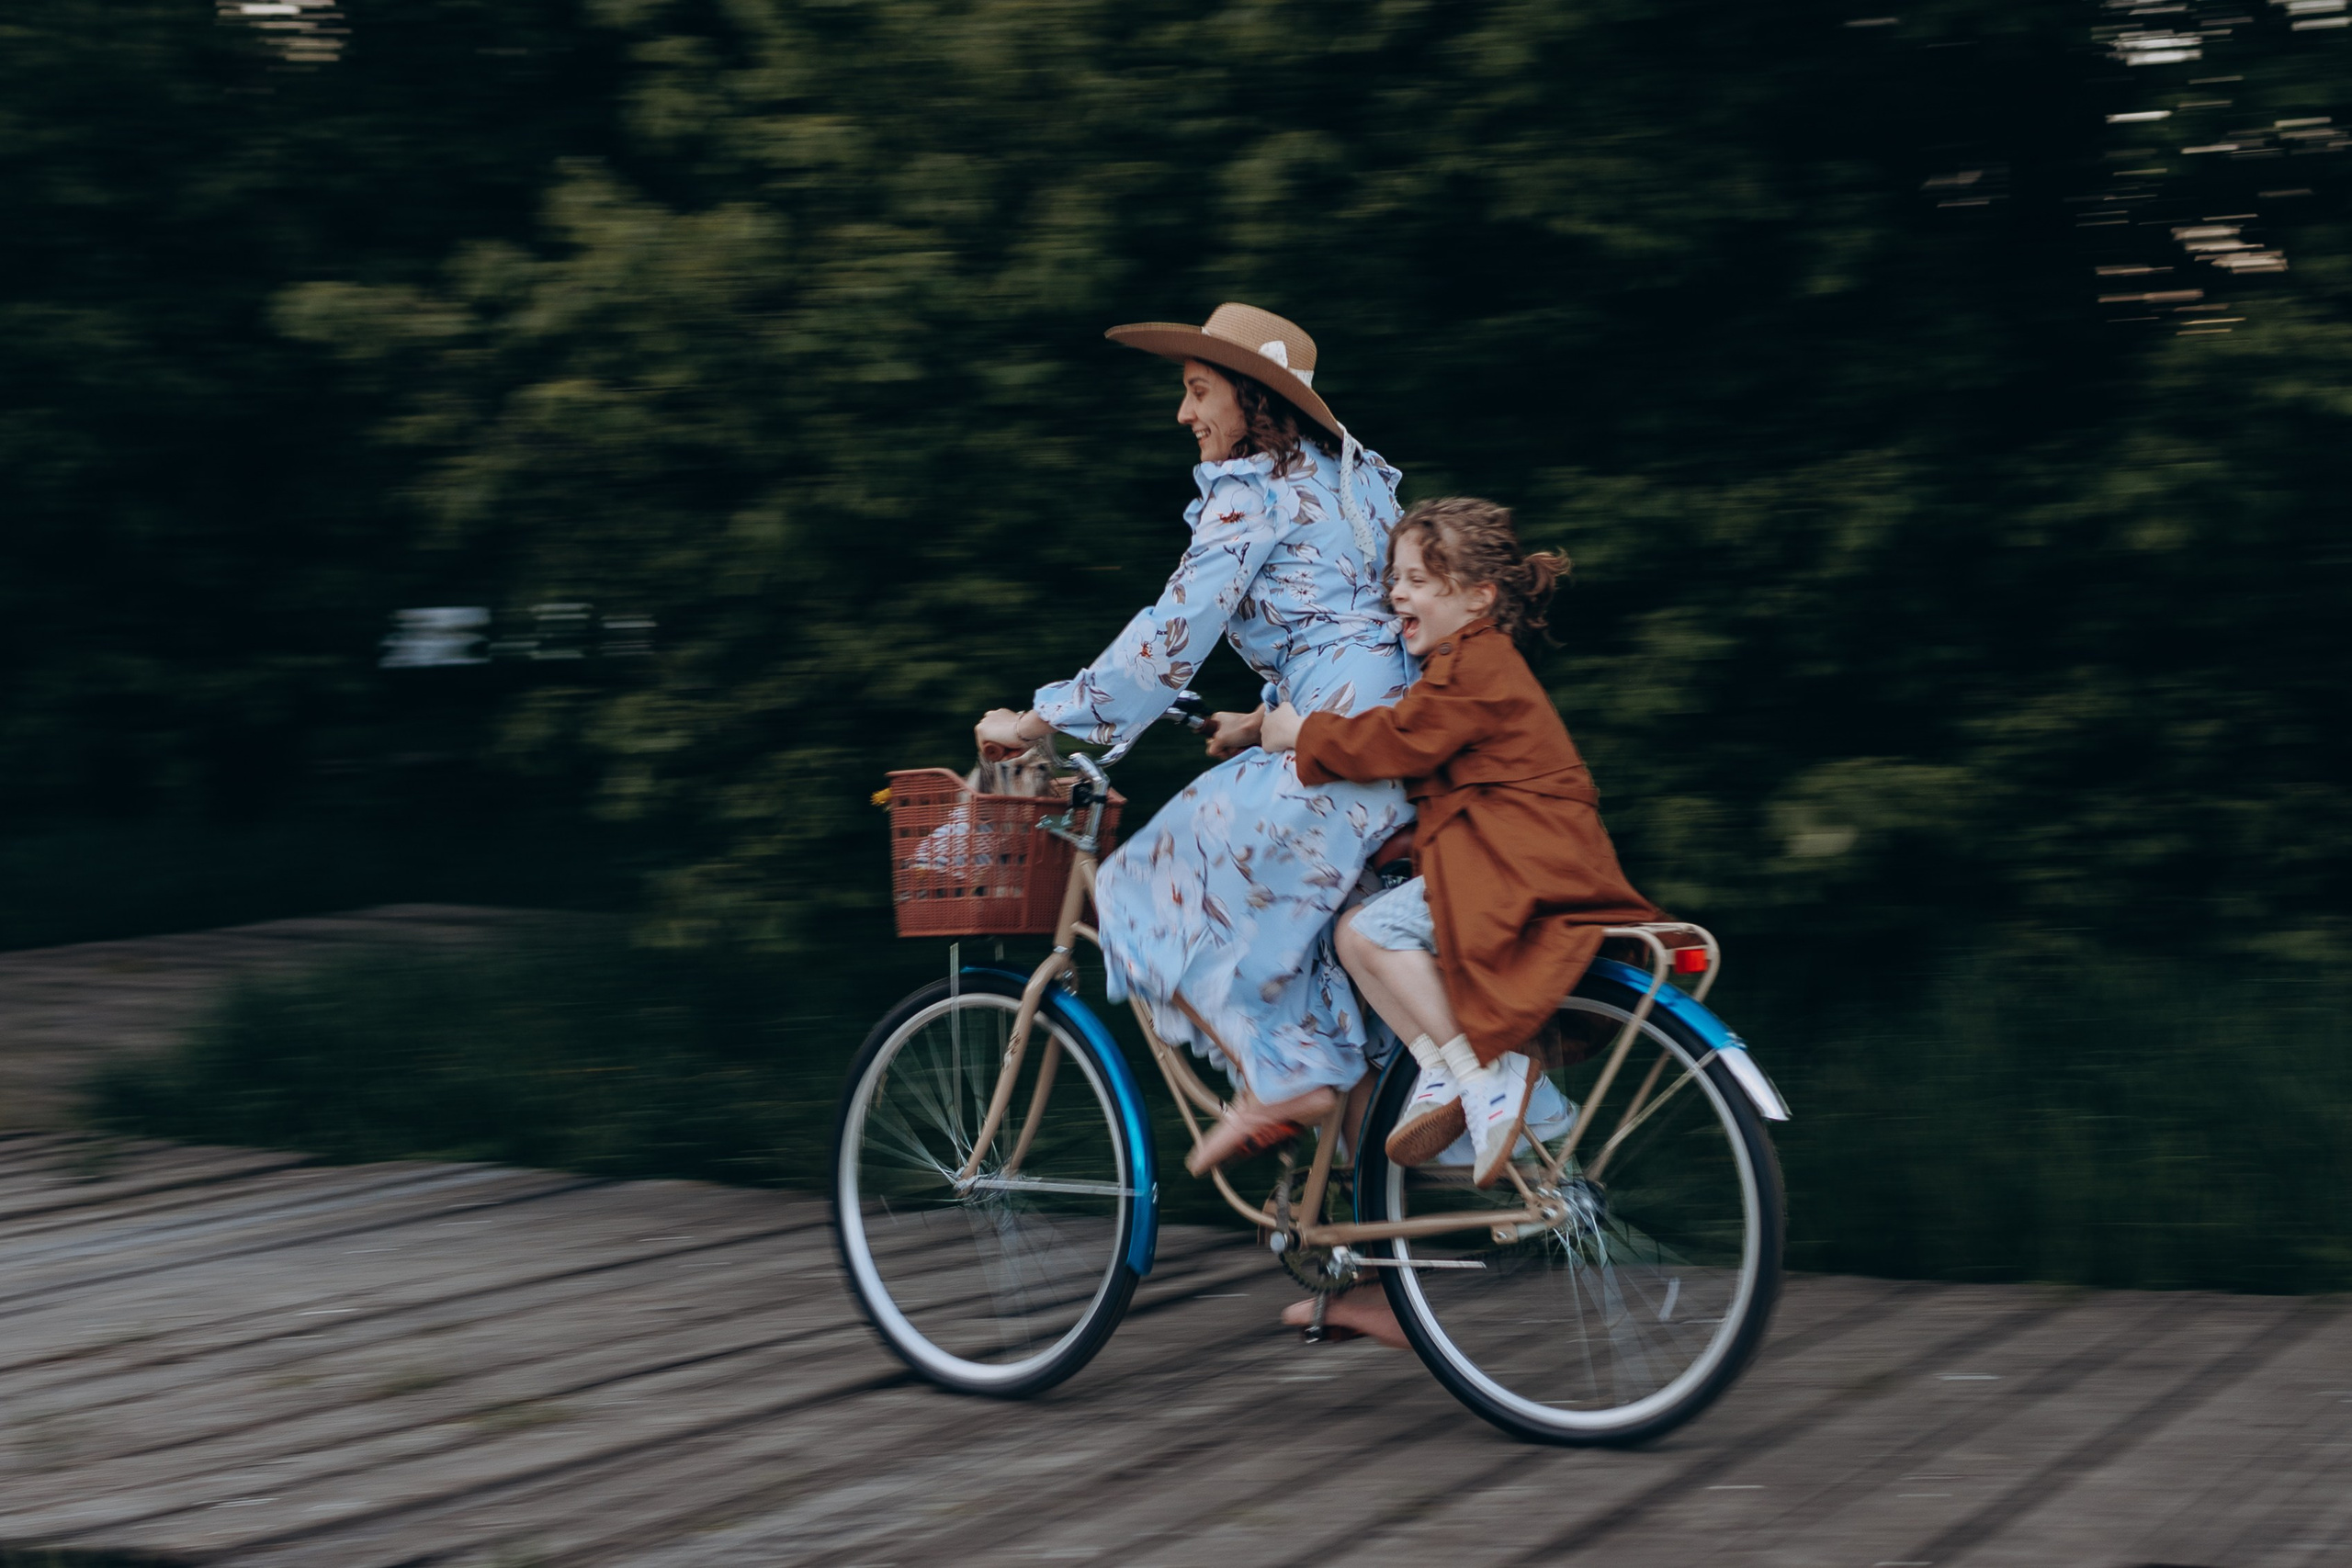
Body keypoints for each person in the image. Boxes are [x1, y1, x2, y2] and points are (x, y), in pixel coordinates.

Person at [975, 303, 1413, 1175]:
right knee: (1323, 976)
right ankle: (1366, 1276)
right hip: (1388, 741)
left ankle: (1282, 1079)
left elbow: (1166, 640)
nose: (1183, 413)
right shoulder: (1347, 479)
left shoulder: (1252, 491)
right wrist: (1254, 721)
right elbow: (1352, 627)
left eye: (1197, 389)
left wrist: (1040, 720)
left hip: (1331, 753)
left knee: (1143, 883)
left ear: (1254, 400)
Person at [1262, 496, 1665, 1190]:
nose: (1397, 591)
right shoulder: (1461, 667)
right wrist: (1252, 727)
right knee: (1358, 937)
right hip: (1511, 862)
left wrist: (1300, 735)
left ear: (1479, 597)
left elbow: (1396, 739)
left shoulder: (1480, 666)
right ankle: (1450, 1068)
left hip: (1523, 870)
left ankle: (1482, 1066)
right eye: (1395, 576)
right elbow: (1406, 724)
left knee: (1368, 935)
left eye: (1419, 579)